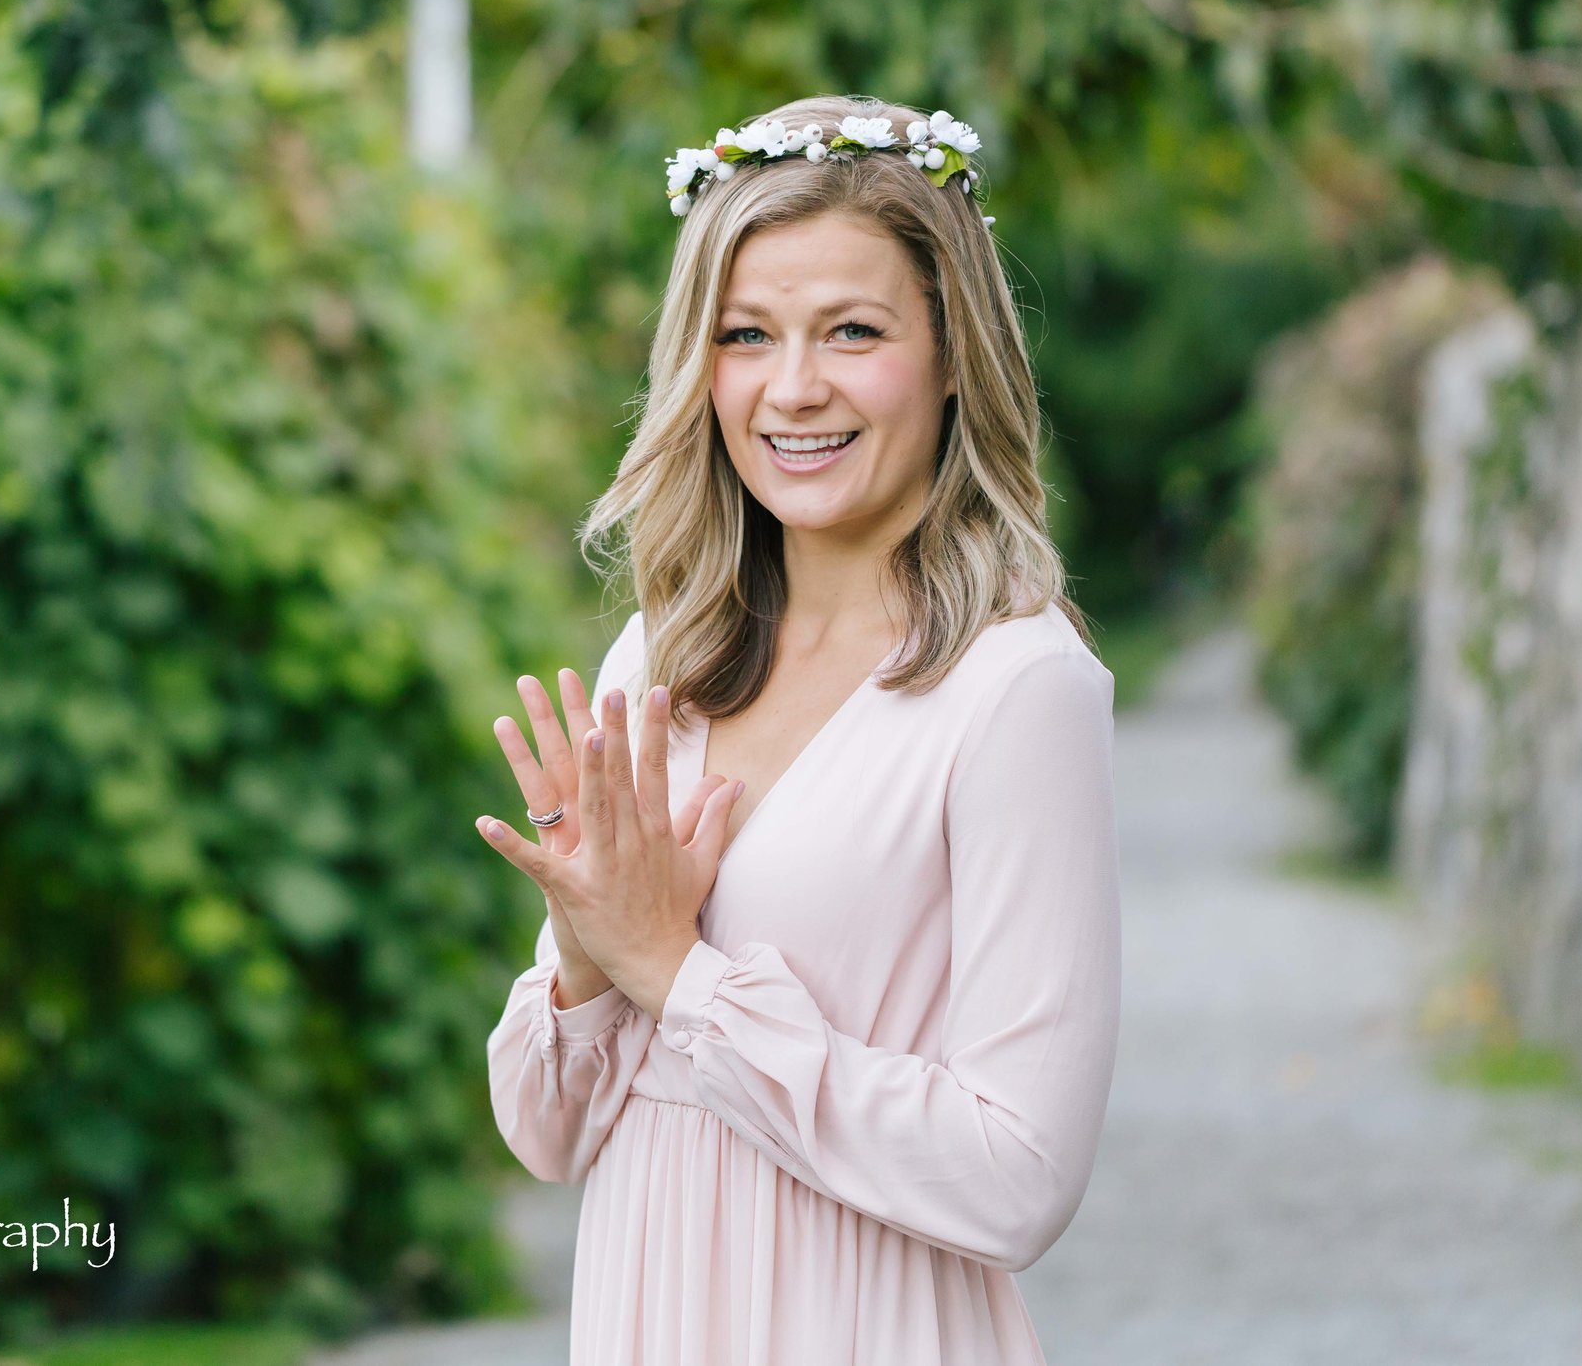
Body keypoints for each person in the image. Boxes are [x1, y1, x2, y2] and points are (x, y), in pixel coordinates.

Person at [475, 94, 1121, 1365]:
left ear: (951, 355)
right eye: (746, 335)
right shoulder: (664, 657)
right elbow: (547, 1131)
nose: (793, 387)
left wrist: (678, 975)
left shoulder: (1016, 686)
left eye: (853, 331)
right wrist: (589, 945)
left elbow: (1021, 1174)